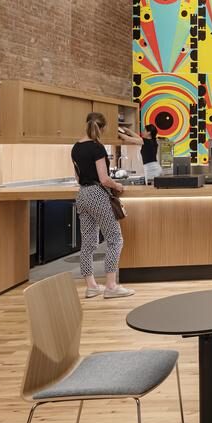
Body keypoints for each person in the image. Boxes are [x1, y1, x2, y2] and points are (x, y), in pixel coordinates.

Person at [71, 112, 133, 299]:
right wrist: (117, 185)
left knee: (88, 243)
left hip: (82, 194)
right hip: (97, 195)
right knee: (115, 239)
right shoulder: (97, 148)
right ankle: (111, 285)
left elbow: (77, 177)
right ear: (103, 128)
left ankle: (91, 286)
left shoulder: (75, 147)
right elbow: (104, 179)